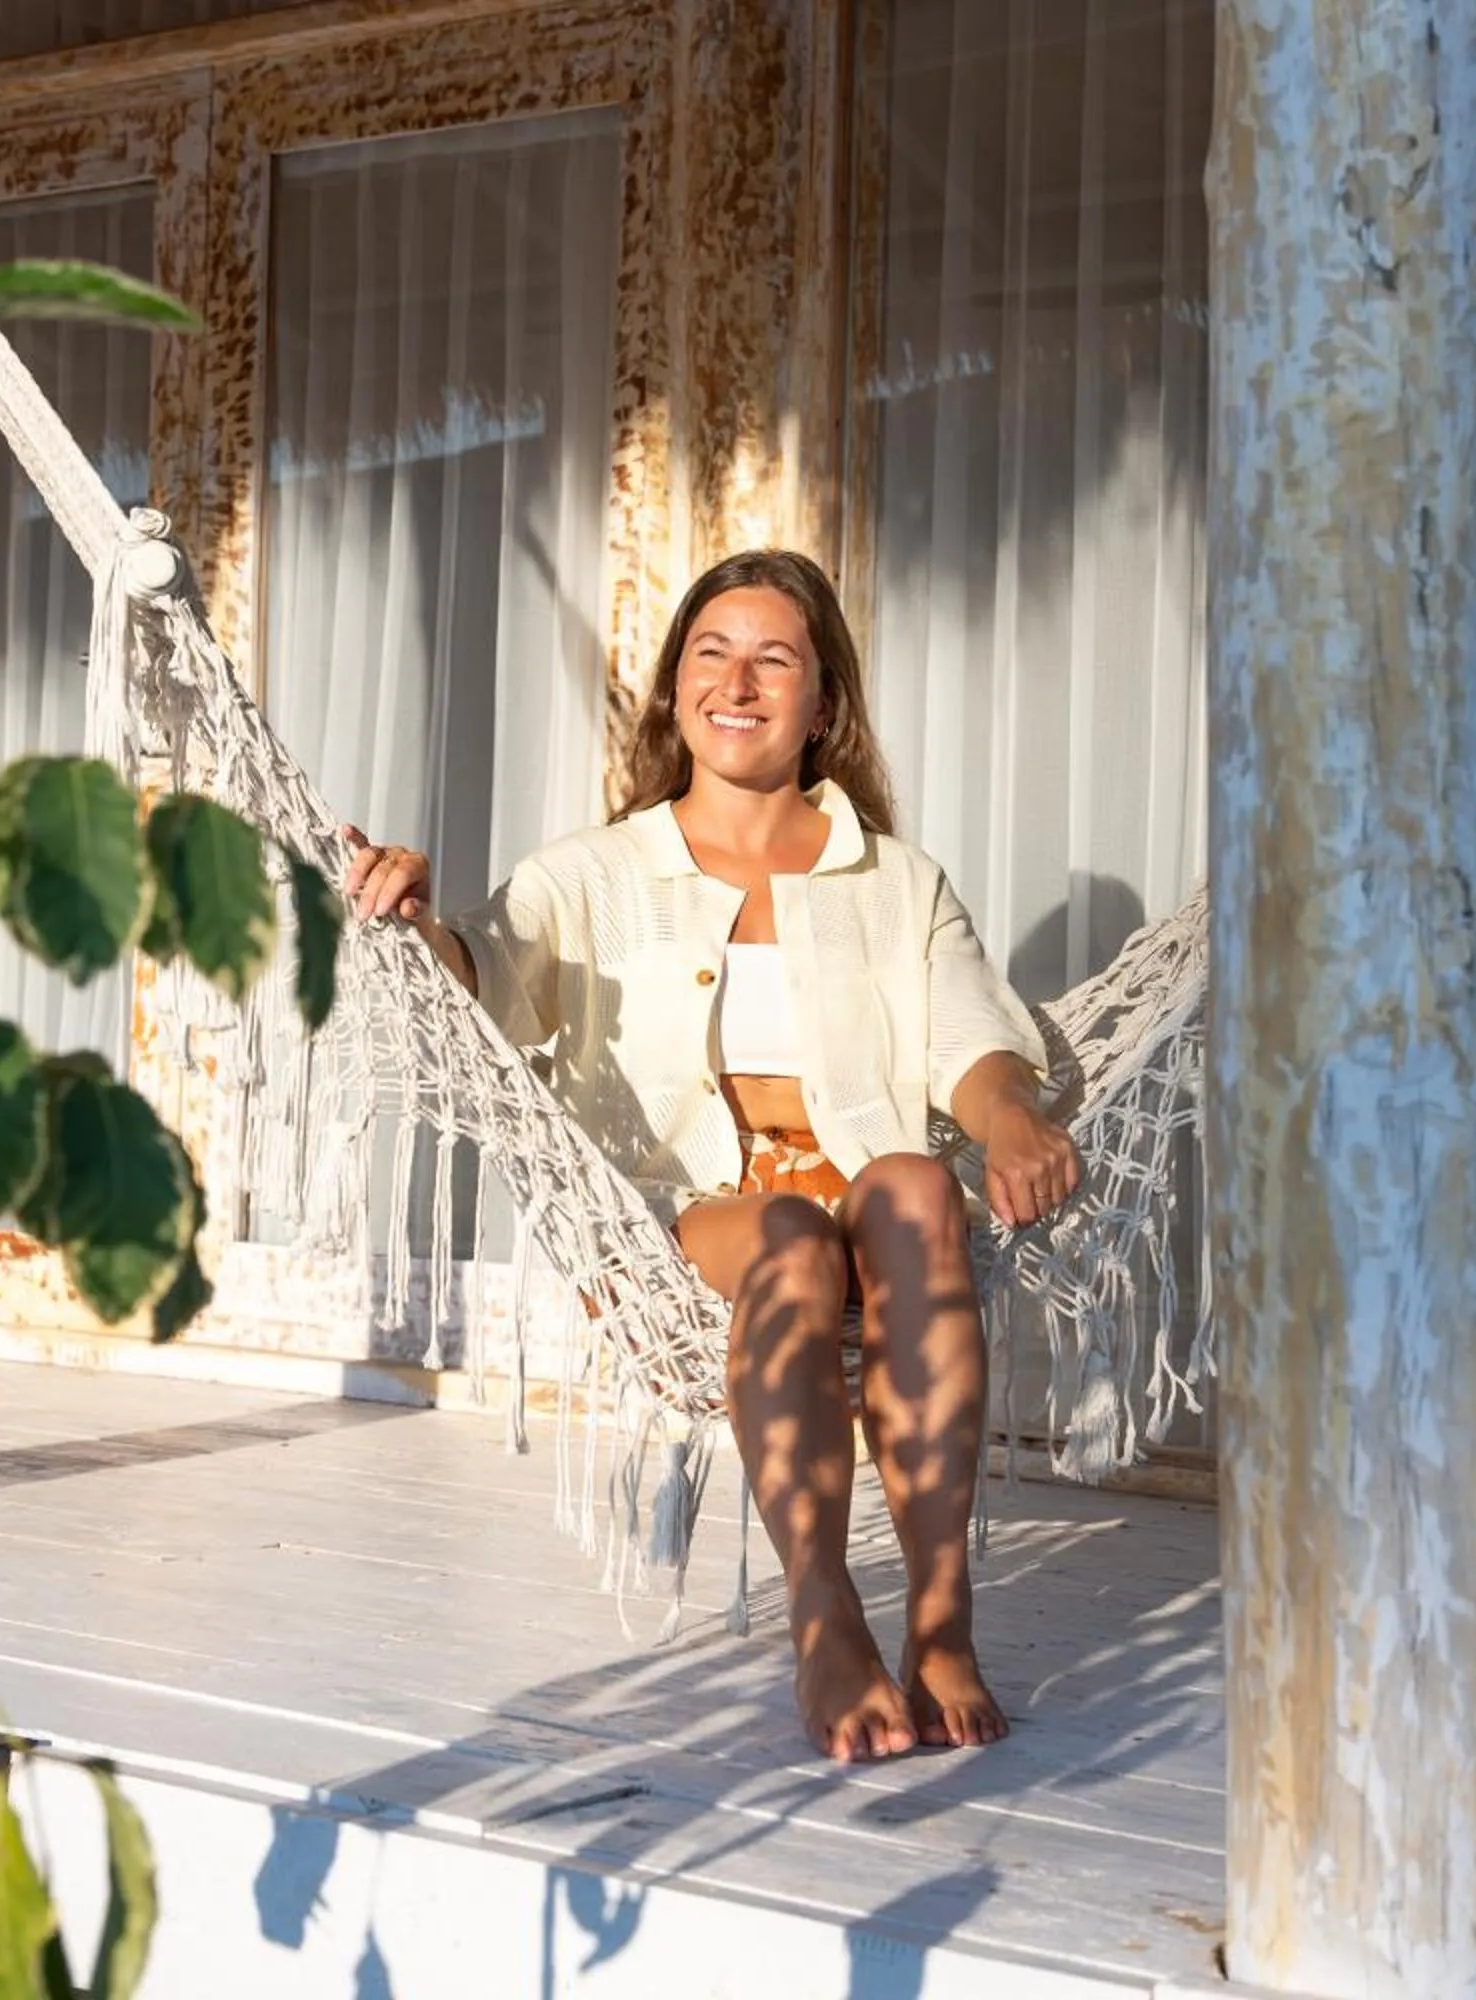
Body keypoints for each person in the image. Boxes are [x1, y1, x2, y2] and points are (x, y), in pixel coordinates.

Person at [339, 549, 1080, 1764]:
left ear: (822, 702)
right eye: (711, 654)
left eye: (773, 659)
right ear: (675, 686)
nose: (737, 683)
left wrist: (1010, 1122)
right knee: (790, 1237)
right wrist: (417, 920)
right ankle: (824, 1609)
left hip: (864, 1190)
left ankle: (941, 1616)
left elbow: (972, 1038)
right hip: (697, 1210)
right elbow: (487, 972)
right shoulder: (595, 872)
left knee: (913, 1184)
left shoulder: (895, 881)